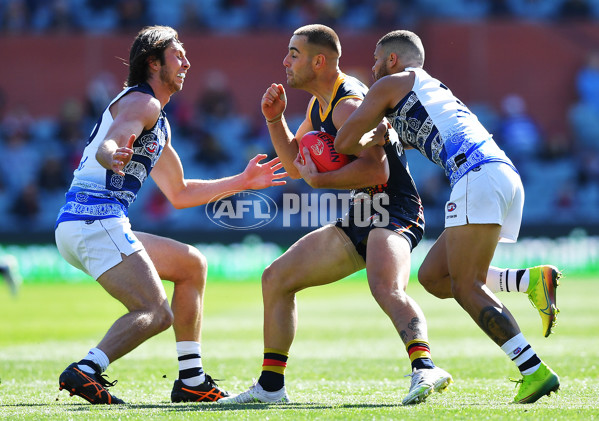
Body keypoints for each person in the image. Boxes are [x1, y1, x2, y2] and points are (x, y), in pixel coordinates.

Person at [220, 24, 453, 406]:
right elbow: (296, 166)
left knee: (385, 287)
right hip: (362, 212)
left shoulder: (347, 104)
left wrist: (323, 180)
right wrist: (274, 120)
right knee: (276, 278)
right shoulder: (319, 104)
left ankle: (425, 367)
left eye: (293, 53)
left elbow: (377, 171)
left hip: (393, 209)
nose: (285, 61)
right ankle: (271, 387)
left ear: (319, 60)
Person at [54, 25, 287, 405]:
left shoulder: (157, 119)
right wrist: (111, 154)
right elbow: (114, 140)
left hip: (90, 222)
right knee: (155, 312)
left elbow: (179, 193)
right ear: (153, 62)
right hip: (94, 219)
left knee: (191, 265)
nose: (187, 62)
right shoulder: (142, 104)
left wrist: (243, 180)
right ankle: (86, 369)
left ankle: (192, 380)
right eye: (178, 55)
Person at [335, 29, 560, 403]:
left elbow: (343, 142)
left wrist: (355, 142)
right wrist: (384, 135)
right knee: (435, 277)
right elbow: (412, 136)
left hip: (475, 174)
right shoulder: (429, 90)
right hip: (496, 171)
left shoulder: (392, 83)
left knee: (464, 285)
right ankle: (527, 281)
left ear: (392, 60)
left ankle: (533, 369)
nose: (373, 69)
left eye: (376, 60)